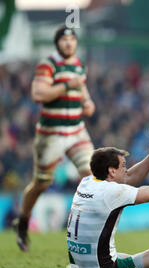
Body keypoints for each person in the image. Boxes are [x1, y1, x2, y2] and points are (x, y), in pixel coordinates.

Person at [13, 26, 96, 252]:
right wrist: (67, 85)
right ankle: (22, 221)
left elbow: (82, 88)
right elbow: (38, 94)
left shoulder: (79, 64)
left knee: (94, 175)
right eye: (64, 40)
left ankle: (90, 229)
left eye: (72, 40)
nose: (69, 43)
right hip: (52, 133)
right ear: (57, 43)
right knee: (42, 183)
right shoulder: (47, 65)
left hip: (77, 130)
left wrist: (87, 101)